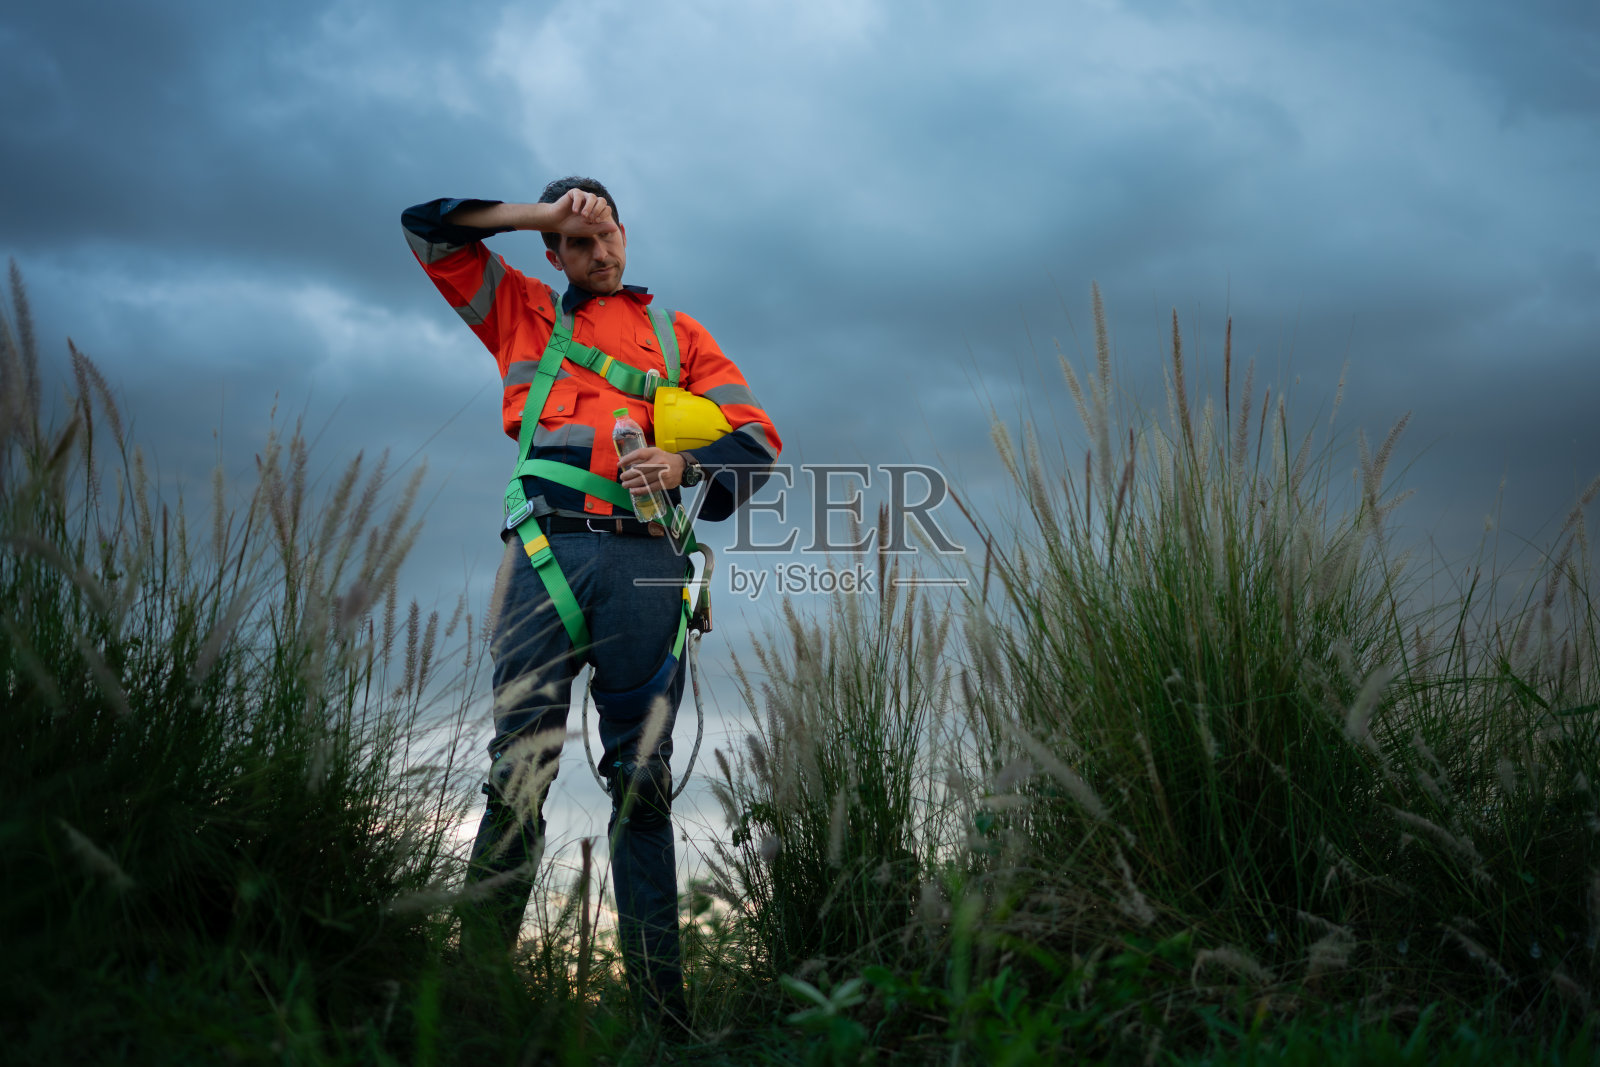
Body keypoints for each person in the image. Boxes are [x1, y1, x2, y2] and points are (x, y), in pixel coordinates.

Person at [400, 178, 781, 1021]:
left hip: (647, 564)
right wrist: (544, 212)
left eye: (607, 234)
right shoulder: (522, 312)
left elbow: (757, 442)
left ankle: (662, 1022)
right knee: (518, 775)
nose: (599, 252)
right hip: (543, 554)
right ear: (551, 251)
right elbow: (426, 229)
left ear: (626, 234)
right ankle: (478, 1006)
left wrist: (687, 466)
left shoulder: (677, 338)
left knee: (643, 785)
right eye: (577, 241)